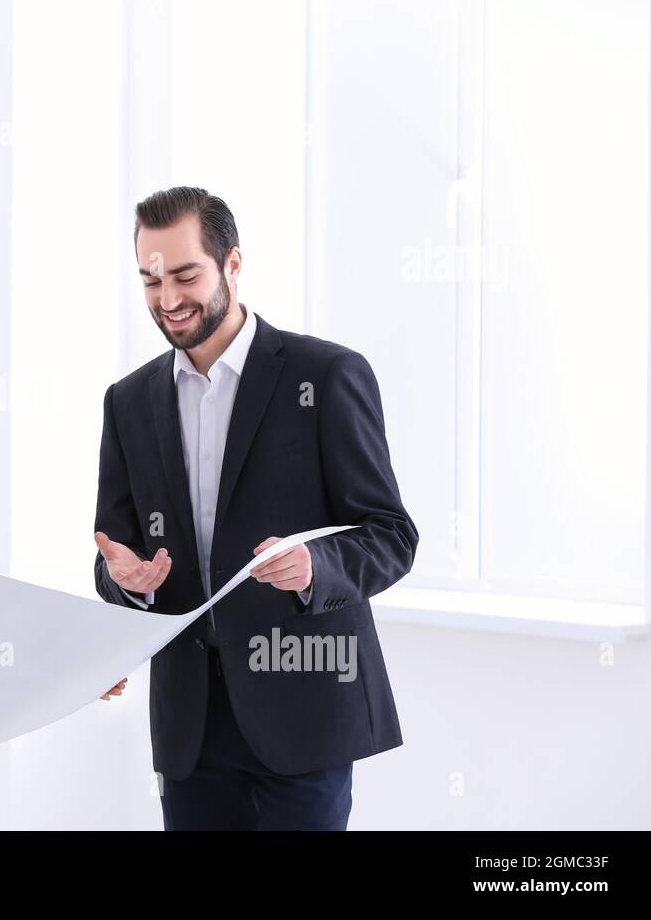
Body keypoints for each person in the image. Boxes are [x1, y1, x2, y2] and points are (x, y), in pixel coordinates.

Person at [93, 186, 418, 830]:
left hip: (304, 712)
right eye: (151, 279)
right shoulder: (128, 402)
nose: (168, 299)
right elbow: (115, 558)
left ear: (232, 265)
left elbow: (392, 535)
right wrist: (123, 583)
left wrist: (314, 567)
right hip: (191, 727)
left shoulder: (326, 376)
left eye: (187, 275)